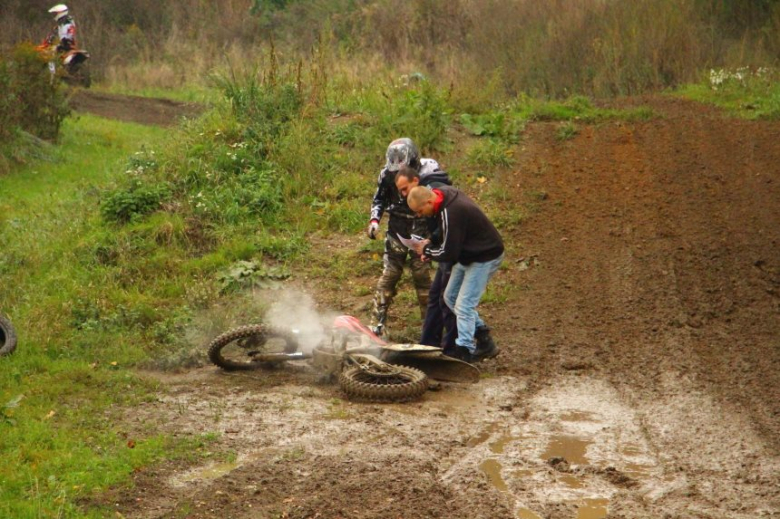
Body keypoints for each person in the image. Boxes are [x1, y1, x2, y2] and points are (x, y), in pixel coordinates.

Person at [407, 185, 503, 362]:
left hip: (484, 255)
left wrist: (427, 250)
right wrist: (432, 241)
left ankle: (464, 351)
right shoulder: (442, 195)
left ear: (429, 201)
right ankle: (483, 338)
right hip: (468, 254)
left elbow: (448, 253)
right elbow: (447, 231)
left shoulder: (452, 211)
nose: (419, 215)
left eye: (420, 211)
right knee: (449, 298)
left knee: (464, 305)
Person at [367, 138, 441, 336]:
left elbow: (439, 199)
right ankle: (376, 325)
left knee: (422, 276)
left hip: (423, 230)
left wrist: (438, 231)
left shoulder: (430, 170)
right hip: (397, 229)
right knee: (390, 274)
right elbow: (379, 198)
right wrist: (374, 220)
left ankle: (431, 327)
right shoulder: (386, 174)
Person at [394, 165, 457, 353]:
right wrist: (429, 243)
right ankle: (428, 344)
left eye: (405, 189)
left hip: (454, 250)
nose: (404, 194)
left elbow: (450, 224)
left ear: (416, 181)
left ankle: (454, 348)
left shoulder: (434, 192)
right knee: (436, 296)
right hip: (444, 248)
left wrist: (431, 247)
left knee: (447, 299)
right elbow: (440, 228)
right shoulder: (422, 195)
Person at [44, 4, 77, 75]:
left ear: (60, 13)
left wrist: (50, 40)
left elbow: (58, 34)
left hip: (66, 43)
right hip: (71, 43)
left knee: (50, 54)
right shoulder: (70, 21)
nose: (55, 15)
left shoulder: (63, 23)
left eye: (56, 13)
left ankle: (52, 74)